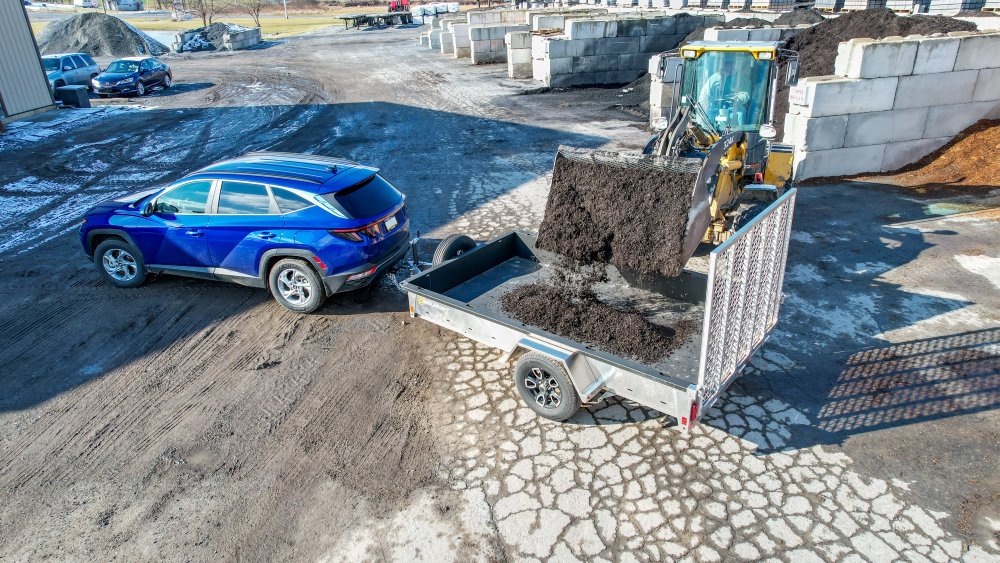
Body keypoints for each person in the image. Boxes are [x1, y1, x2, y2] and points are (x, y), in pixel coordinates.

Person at [697, 56, 751, 129]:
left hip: (735, 107)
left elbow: (746, 94)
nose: (728, 65)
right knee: (707, 115)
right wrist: (701, 112)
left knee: (741, 112)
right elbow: (704, 96)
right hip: (716, 108)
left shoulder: (741, 78)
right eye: (726, 63)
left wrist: (737, 99)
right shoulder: (714, 79)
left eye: (730, 63)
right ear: (722, 64)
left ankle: (740, 133)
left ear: (734, 64)